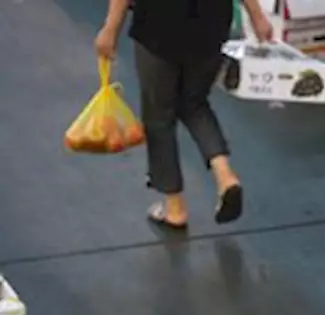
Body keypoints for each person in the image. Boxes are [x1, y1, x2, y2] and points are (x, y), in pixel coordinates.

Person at [94, 0, 273, 230]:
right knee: (194, 103)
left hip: (159, 27)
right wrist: (258, 17)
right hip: (211, 26)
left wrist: (110, 29)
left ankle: (174, 207)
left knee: (159, 116)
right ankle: (225, 175)